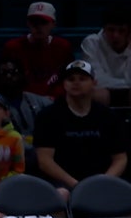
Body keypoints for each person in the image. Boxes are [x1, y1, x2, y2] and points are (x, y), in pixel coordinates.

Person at [33, 60, 129, 202]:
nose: (76, 83)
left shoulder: (109, 117)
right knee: (60, 196)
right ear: (64, 84)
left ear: (94, 82)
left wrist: (104, 181)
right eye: (70, 79)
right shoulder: (48, 116)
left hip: (102, 182)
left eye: (82, 79)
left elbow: (120, 158)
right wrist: (76, 184)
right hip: (63, 183)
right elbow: (45, 160)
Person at [1, 1, 73, 99]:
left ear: (54, 24)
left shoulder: (63, 46)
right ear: (28, 23)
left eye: (44, 22)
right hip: (22, 100)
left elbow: (69, 79)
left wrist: (56, 97)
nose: (38, 27)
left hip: (55, 101)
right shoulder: (13, 47)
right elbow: (6, 82)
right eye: (34, 22)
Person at [79, 6, 131, 106]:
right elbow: (96, 80)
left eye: (121, 31)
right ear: (104, 29)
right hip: (102, 91)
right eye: (111, 30)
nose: (115, 35)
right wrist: (126, 83)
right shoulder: (91, 43)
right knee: (99, 94)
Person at [0, 58, 51, 146]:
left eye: (13, 72)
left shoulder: (40, 101)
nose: (9, 76)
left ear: (21, 74)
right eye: (4, 73)